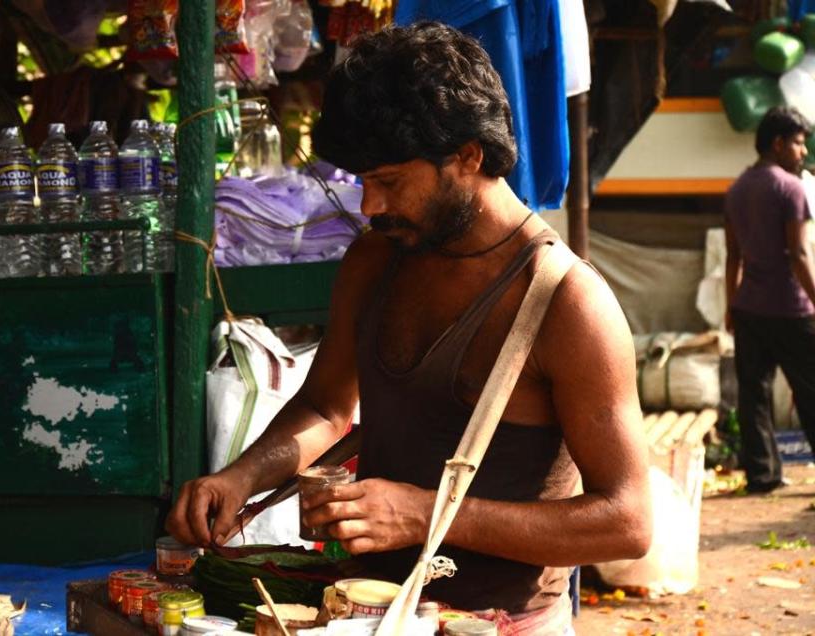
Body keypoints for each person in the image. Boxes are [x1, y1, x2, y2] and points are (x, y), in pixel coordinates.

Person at [168, 22, 651, 633]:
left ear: (468, 156)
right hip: (362, 613)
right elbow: (325, 406)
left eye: (389, 182)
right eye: (363, 182)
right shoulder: (375, 261)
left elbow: (628, 521)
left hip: (502, 623)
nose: (369, 207)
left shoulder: (566, 302)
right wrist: (242, 475)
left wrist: (427, 514)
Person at [724, 106, 815, 494]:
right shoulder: (790, 188)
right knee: (810, 389)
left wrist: (731, 305)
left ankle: (762, 476)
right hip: (792, 310)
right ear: (778, 144)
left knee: (753, 395)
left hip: (748, 309)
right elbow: (798, 254)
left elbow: (733, 256)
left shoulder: (737, 189)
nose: (803, 152)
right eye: (798, 143)